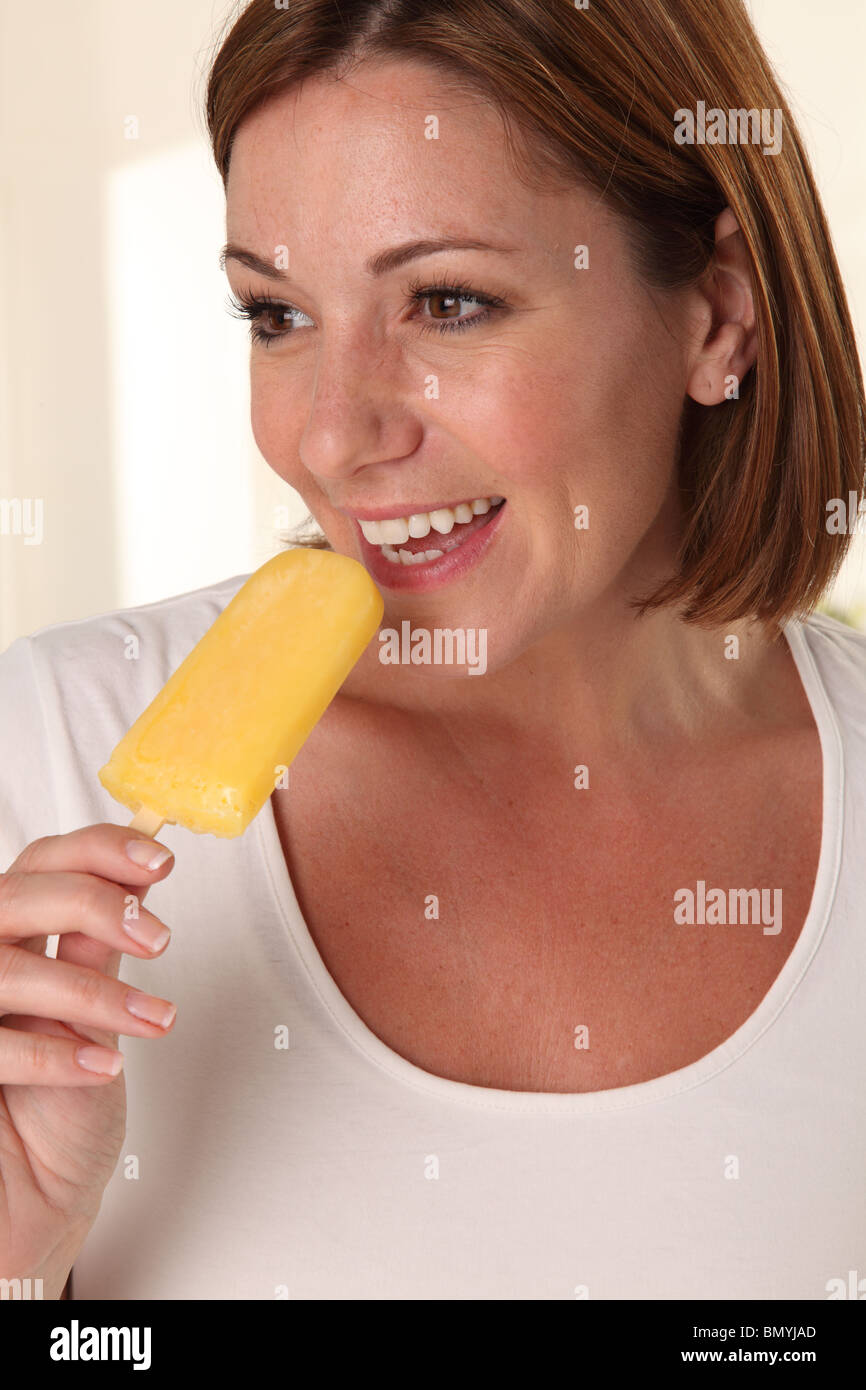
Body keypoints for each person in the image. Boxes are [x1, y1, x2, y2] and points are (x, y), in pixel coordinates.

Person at [1, 0, 864, 1301]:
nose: (333, 438)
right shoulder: (45, 758)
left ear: (717, 316)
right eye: (275, 316)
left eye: (447, 302)